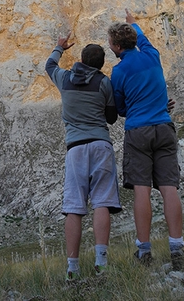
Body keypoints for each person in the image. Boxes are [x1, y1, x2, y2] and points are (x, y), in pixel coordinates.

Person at [107, 9, 184, 269]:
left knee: (142, 189)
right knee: (168, 188)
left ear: (117, 46)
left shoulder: (118, 72)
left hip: (138, 130)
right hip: (164, 126)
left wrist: (137, 107)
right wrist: (134, 24)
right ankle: (177, 248)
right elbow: (144, 40)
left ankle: (144, 251)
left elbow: (121, 109)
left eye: (111, 44)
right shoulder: (152, 55)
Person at [45, 32, 122, 281]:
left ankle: (72, 268)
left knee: (74, 208)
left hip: (75, 148)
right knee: (101, 202)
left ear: (81, 58)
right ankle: (101, 262)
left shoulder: (65, 78)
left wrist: (59, 47)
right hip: (100, 144)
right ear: (100, 64)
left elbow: (49, 66)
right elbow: (111, 117)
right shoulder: (103, 82)